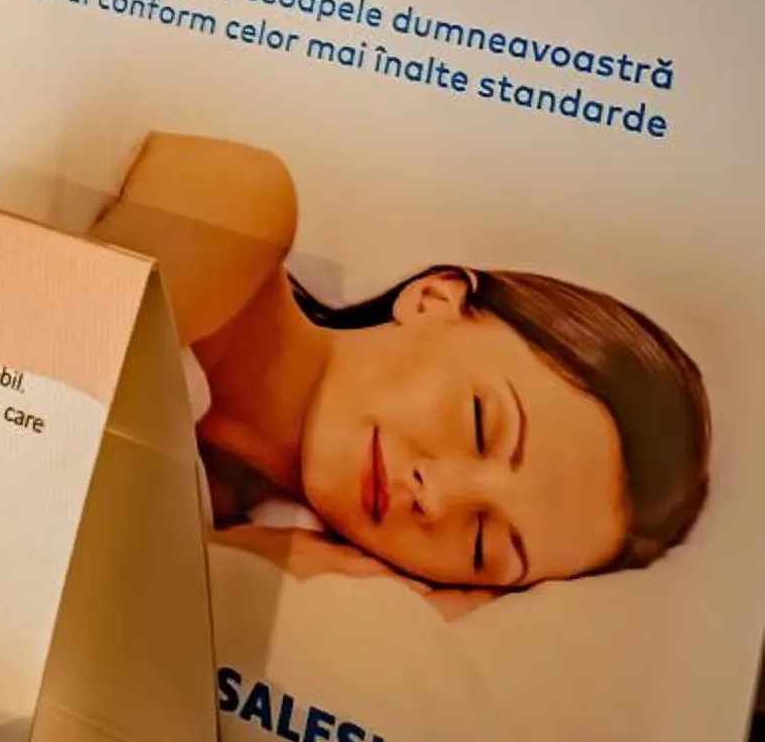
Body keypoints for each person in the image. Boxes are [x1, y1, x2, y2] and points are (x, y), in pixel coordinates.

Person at [91, 134, 709, 604]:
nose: (435, 499)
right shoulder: (245, 202)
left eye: (481, 547)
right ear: (435, 299)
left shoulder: (242, 532)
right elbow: (20, 407)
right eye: (478, 423)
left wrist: (235, 567)